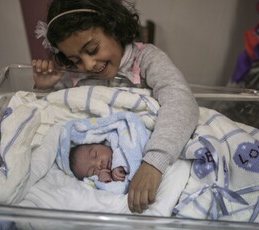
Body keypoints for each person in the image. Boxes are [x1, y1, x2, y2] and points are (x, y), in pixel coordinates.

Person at [32, 0, 199, 213]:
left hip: (154, 154)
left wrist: (154, 162)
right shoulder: (77, 76)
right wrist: (43, 90)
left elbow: (182, 102)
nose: (88, 65)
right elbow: (58, 118)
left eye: (92, 49)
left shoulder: (147, 59)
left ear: (114, 27)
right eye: (75, 59)